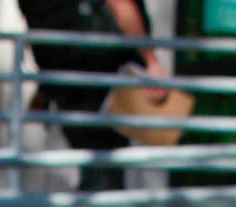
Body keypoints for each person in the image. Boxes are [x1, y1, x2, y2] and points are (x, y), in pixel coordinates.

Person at [19, 0, 171, 189]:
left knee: (95, 162)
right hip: (100, 74)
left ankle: (96, 193)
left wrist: (45, 84)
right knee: (104, 166)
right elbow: (121, 4)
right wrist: (151, 61)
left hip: (64, 80)